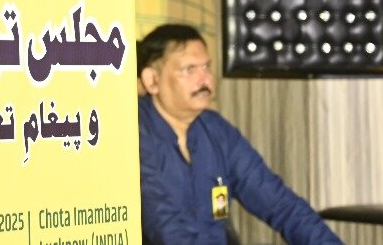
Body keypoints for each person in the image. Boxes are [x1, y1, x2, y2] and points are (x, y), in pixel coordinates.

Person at [136, 23, 343, 244]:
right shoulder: (136, 134)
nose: (204, 79)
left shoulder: (215, 130)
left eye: (206, 67)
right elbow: (165, 227)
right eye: (189, 70)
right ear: (152, 80)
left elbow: (281, 205)